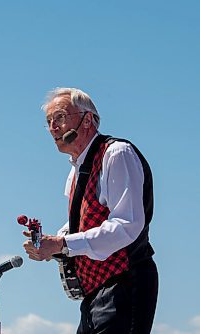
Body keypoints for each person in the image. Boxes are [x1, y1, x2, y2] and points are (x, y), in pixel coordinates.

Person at [22, 88, 158, 333]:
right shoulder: (75, 171)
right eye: (49, 122)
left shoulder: (116, 153)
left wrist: (62, 244)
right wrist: (48, 244)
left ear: (87, 120)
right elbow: (79, 225)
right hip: (95, 291)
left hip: (125, 282)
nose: (53, 127)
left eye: (61, 117)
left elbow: (127, 224)